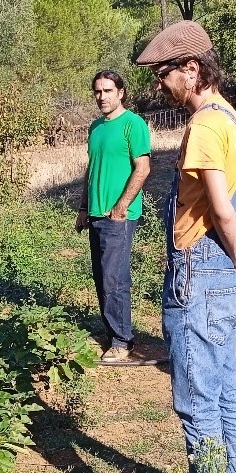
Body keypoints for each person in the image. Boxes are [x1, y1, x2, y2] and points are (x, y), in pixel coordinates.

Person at [135, 21, 236, 473]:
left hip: (198, 268)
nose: (160, 84)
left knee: (195, 398)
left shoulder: (204, 126)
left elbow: (222, 207)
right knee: (223, 392)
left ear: (191, 69)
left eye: (163, 74)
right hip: (224, 269)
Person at [75, 70, 152, 364]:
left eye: (108, 91)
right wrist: (83, 208)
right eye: (97, 91)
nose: (102, 97)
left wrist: (121, 206)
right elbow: (90, 170)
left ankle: (122, 341)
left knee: (114, 278)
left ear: (120, 92)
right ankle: (112, 333)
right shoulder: (95, 127)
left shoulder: (133, 124)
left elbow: (142, 168)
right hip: (95, 213)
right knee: (101, 276)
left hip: (118, 215)